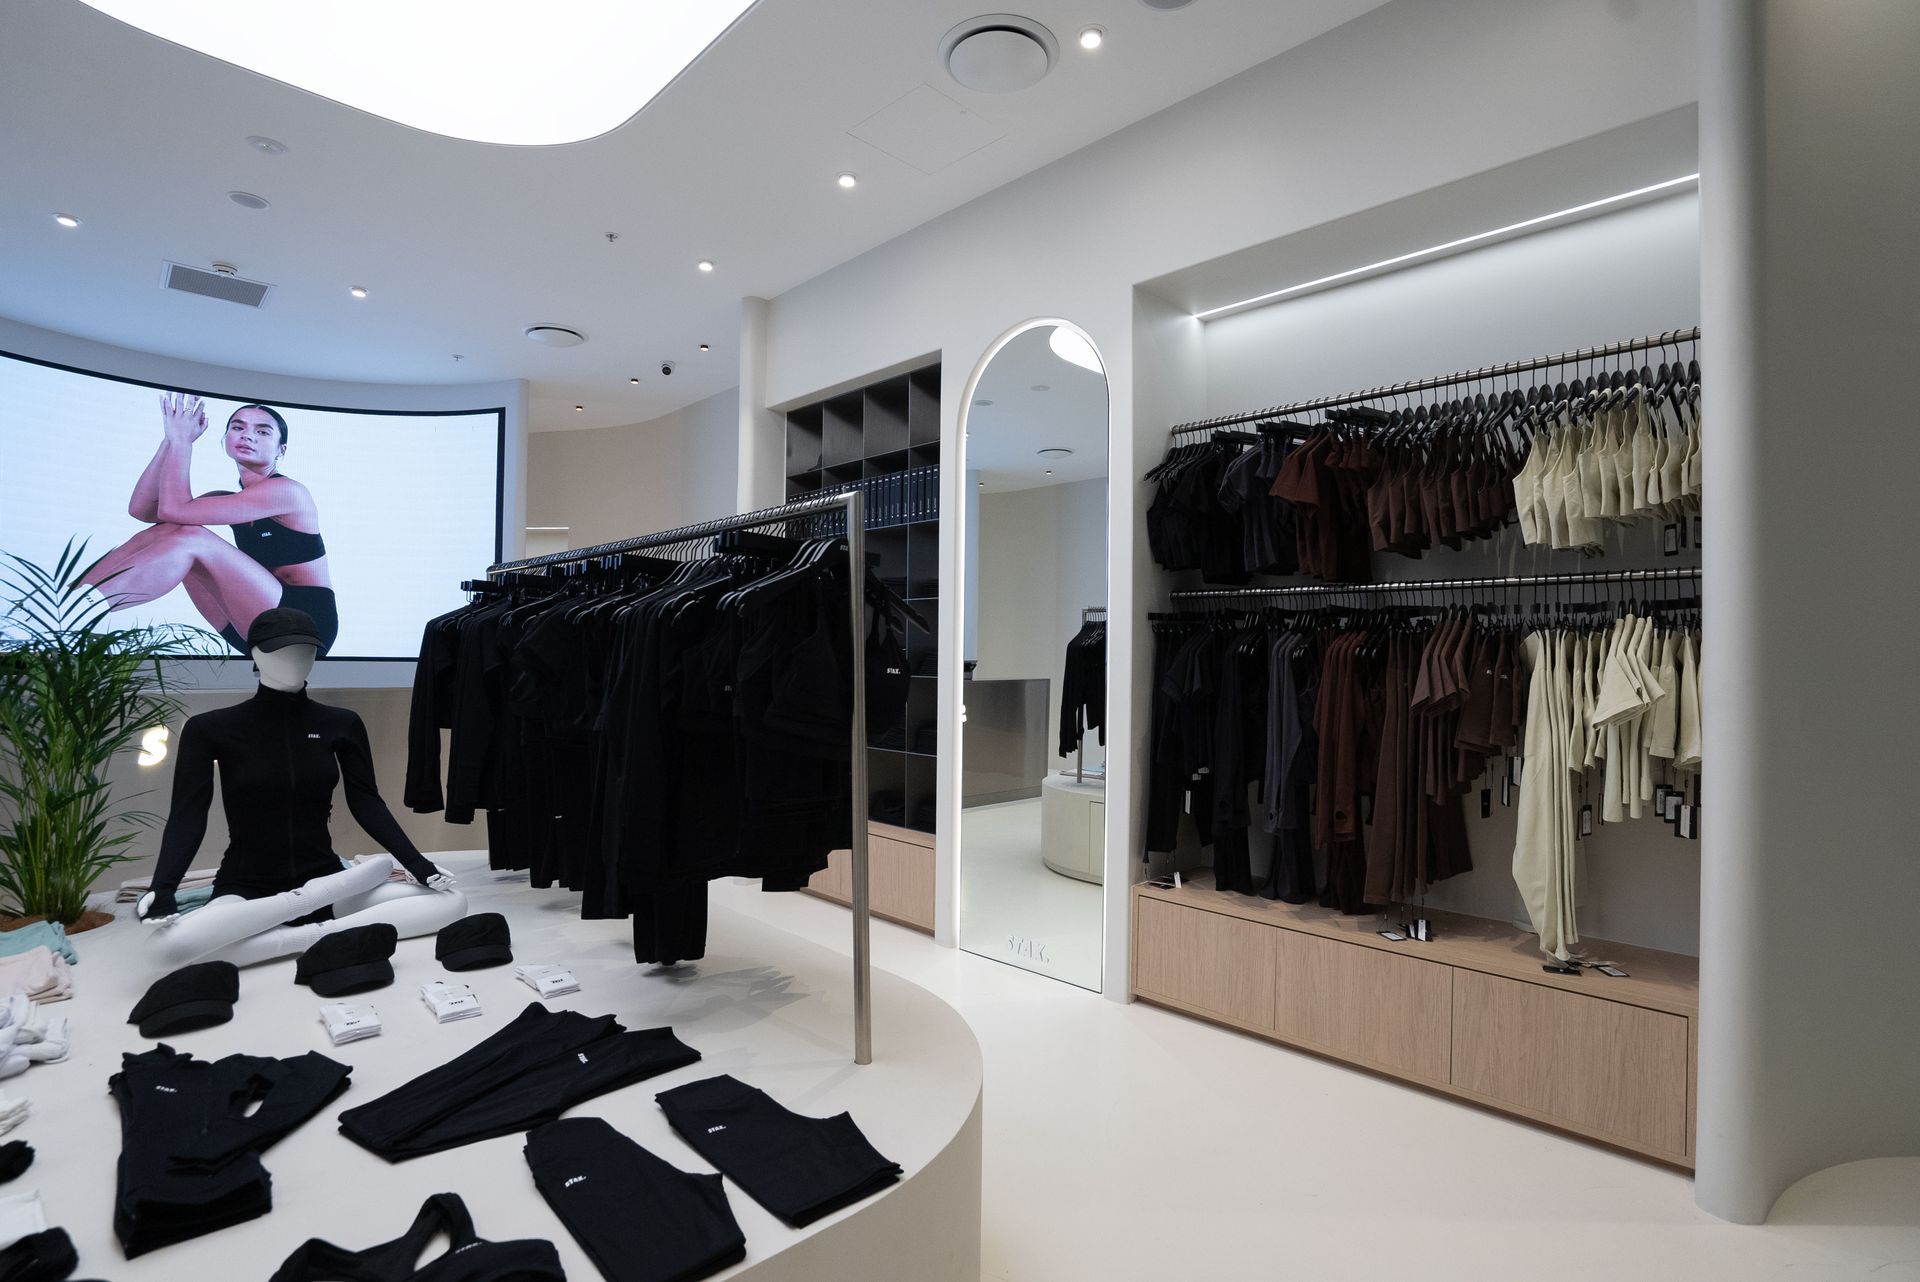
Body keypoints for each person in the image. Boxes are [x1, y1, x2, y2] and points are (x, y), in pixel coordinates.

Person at [136, 608, 465, 969]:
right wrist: (163, 887)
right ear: (254, 653)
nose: (296, 660)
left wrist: (418, 864)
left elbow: (366, 802)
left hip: (328, 878)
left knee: (453, 903)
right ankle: (304, 913)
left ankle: (298, 934)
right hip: (247, 887)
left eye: (306, 650)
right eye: (281, 650)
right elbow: (188, 816)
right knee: (165, 950)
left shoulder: (341, 723)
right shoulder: (209, 729)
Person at [82, 393, 339, 654]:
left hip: (303, 627)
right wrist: (170, 440)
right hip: (246, 622)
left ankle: (87, 606)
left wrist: (182, 441)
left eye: (262, 432)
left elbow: (173, 508)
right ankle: (75, 600)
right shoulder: (230, 500)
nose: (247, 436)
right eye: (238, 427)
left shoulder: (287, 492)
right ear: (225, 438)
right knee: (171, 528)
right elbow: (144, 510)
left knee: (192, 537)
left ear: (280, 450)